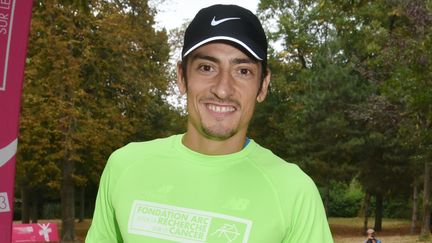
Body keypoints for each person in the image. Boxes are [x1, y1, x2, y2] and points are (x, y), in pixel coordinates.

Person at [86, 4, 333, 243]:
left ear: (263, 85)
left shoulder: (294, 191)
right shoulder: (125, 166)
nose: (223, 89)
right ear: (182, 77)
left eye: (243, 71)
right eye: (207, 67)